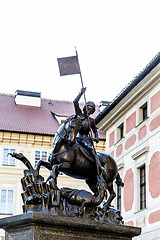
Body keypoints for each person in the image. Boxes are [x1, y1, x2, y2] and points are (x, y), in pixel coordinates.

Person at [73, 88, 103, 172]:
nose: (88, 110)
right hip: (77, 138)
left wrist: (96, 137)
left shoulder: (92, 121)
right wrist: (81, 93)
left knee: (91, 150)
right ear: (85, 108)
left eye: (91, 109)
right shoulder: (79, 115)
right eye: (88, 108)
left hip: (86, 140)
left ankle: (100, 166)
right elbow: (75, 102)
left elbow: (95, 131)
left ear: (92, 111)